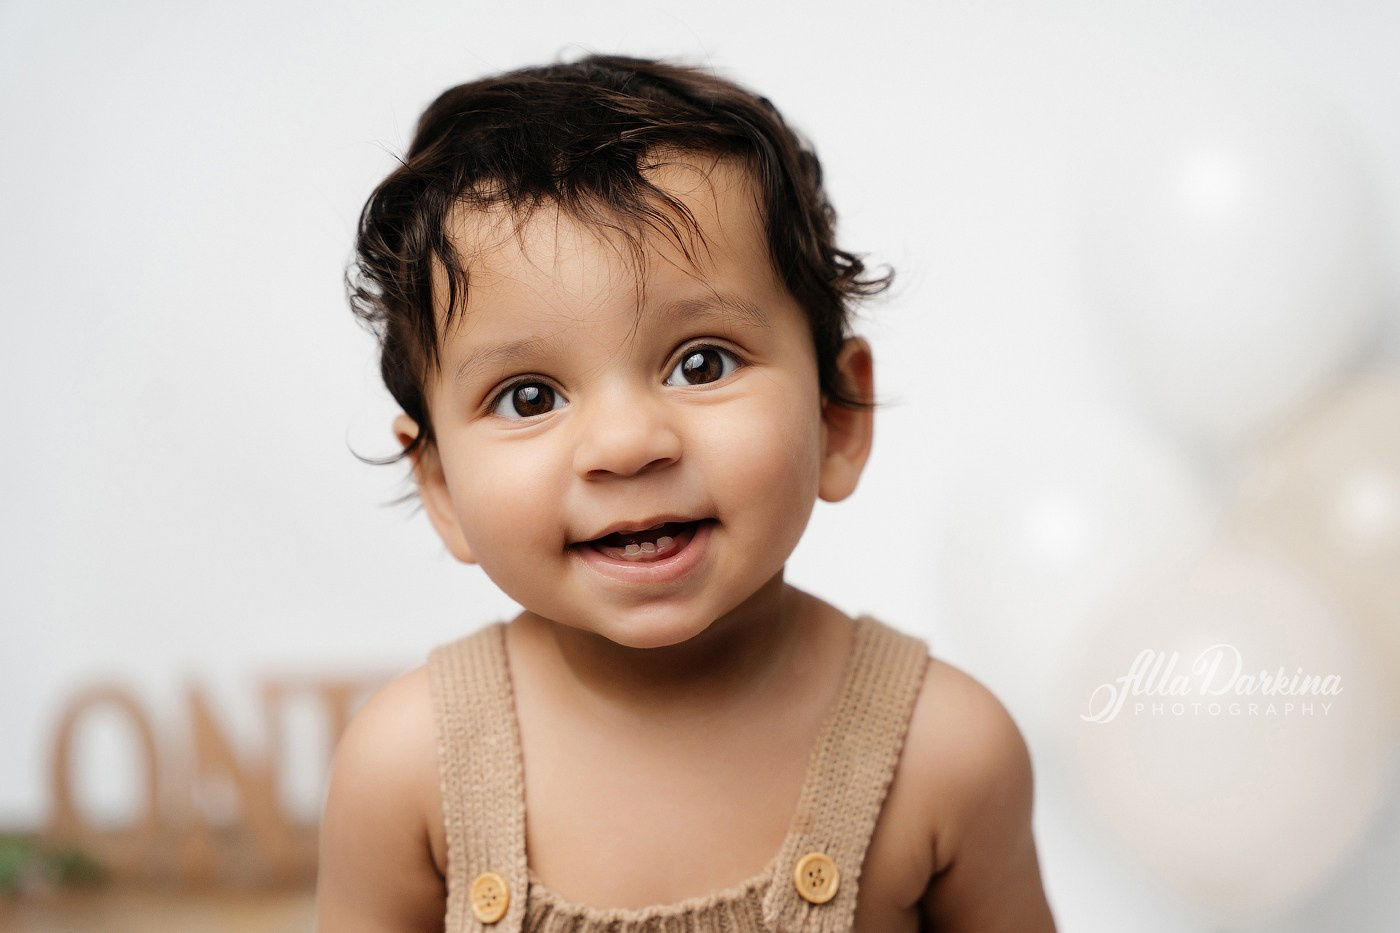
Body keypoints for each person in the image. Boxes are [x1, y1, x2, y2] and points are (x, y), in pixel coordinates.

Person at [316, 55, 1056, 933]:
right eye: (530, 396)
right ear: (439, 484)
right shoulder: (409, 768)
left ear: (839, 414)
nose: (627, 445)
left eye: (700, 363)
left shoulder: (944, 753)